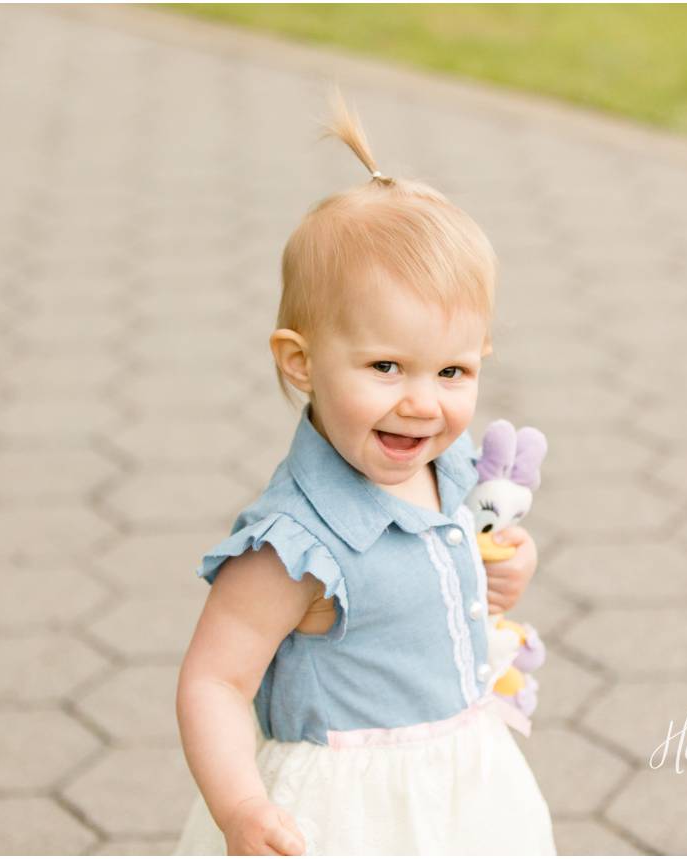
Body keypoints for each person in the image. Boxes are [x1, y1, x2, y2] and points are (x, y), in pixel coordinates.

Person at [173, 92, 555, 855]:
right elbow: (213, 682)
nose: (422, 403)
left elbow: (457, 556)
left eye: (452, 369)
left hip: (463, 791)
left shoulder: (446, 465)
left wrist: (506, 568)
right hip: (349, 817)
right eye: (386, 366)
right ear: (301, 362)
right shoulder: (294, 546)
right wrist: (242, 808)